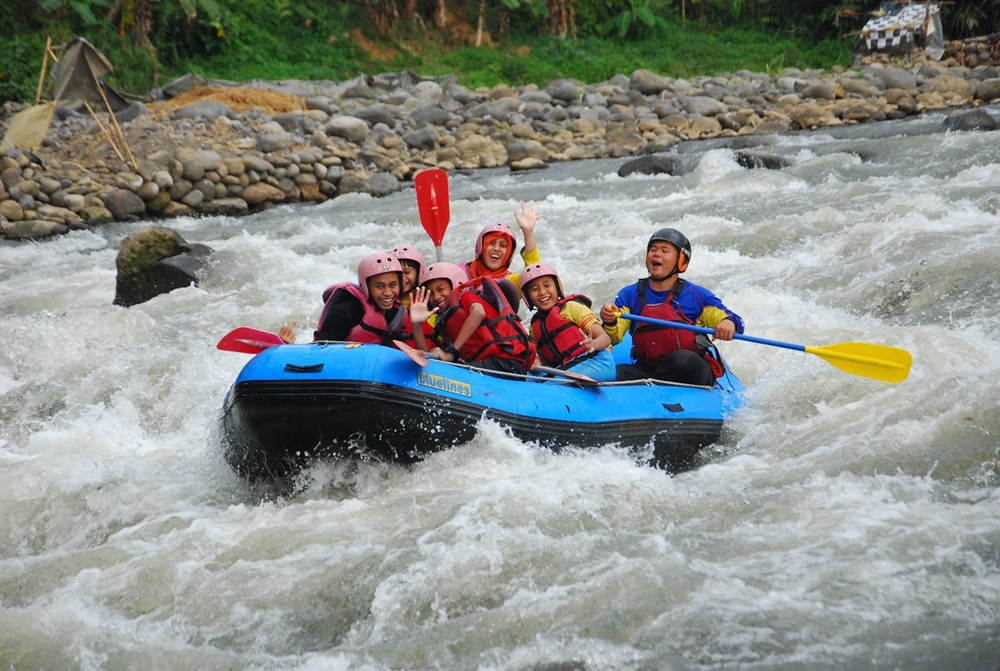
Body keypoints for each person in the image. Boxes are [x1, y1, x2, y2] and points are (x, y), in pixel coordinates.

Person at [599, 228, 743, 386]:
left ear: (681, 261)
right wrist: (610, 321)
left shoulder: (696, 296)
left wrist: (728, 324)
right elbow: (613, 338)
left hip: (691, 371)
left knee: (682, 360)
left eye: (664, 250)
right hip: (649, 370)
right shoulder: (629, 294)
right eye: (653, 250)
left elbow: (735, 320)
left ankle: (655, 386)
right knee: (616, 373)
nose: (656, 254)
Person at [410, 264, 536, 376]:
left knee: (458, 375)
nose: (436, 297)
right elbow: (427, 362)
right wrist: (417, 325)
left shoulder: (467, 296)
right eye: (431, 293)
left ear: (455, 284)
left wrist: (452, 352)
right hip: (489, 363)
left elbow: (478, 312)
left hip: (507, 362)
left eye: (441, 289)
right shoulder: (443, 325)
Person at [278, 251, 417, 346]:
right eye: (379, 286)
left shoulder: (396, 313)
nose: (388, 293)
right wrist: (288, 346)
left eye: (393, 285)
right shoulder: (345, 311)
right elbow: (316, 352)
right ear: (365, 287)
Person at [519, 262, 617, 382]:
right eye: (534, 289)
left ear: (557, 287)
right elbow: (547, 358)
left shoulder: (572, 307)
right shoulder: (534, 327)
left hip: (598, 361)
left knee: (550, 383)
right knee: (526, 375)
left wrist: (593, 344)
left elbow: (605, 338)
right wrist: (537, 361)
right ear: (528, 297)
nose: (542, 292)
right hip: (568, 366)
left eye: (547, 285)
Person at [464, 202, 542, 296]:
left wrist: (528, 232)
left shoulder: (509, 283)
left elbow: (534, 275)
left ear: (509, 254)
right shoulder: (461, 273)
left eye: (503, 245)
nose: (497, 249)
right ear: (480, 247)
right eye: (491, 243)